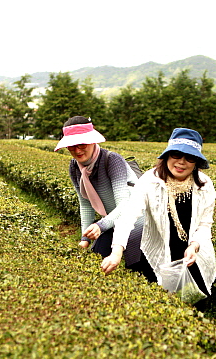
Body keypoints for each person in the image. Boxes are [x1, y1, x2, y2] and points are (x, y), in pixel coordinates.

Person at [101, 128, 216, 299]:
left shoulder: (205, 185)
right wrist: (117, 252)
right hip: (161, 251)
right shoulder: (149, 181)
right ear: (167, 156)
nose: (181, 162)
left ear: (196, 162)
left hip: (193, 256)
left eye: (189, 158)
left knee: (196, 302)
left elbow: (205, 224)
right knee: (164, 302)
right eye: (176, 155)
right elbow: (128, 217)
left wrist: (194, 245)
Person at [54, 116, 152, 279]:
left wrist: (101, 225)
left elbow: (125, 205)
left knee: (139, 272)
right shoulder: (75, 167)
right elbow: (85, 204)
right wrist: (85, 238)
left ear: (92, 141)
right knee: (96, 261)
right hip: (112, 221)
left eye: (82, 144)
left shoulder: (112, 160)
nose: (77, 151)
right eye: (72, 146)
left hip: (137, 222)